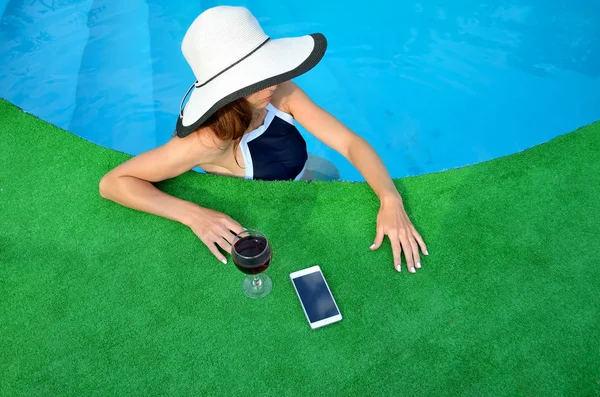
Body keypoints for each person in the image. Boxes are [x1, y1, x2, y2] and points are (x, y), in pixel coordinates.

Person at [99, 5, 428, 273]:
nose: (272, 79)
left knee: (332, 174)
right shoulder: (207, 141)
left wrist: (390, 198)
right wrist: (193, 214)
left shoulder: (279, 91)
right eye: (258, 76)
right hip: (269, 212)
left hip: (308, 172)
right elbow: (114, 182)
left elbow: (350, 143)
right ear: (229, 90)